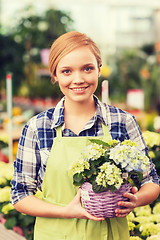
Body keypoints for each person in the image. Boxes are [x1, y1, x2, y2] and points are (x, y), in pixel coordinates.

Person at [11, 31, 160, 240]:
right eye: (66, 71)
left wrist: (136, 200)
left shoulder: (122, 122)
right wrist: (66, 211)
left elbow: (151, 180)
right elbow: (20, 195)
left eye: (87, 68)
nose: (78, 79)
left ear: (99, 70)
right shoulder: (37, 128)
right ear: (54, 75)